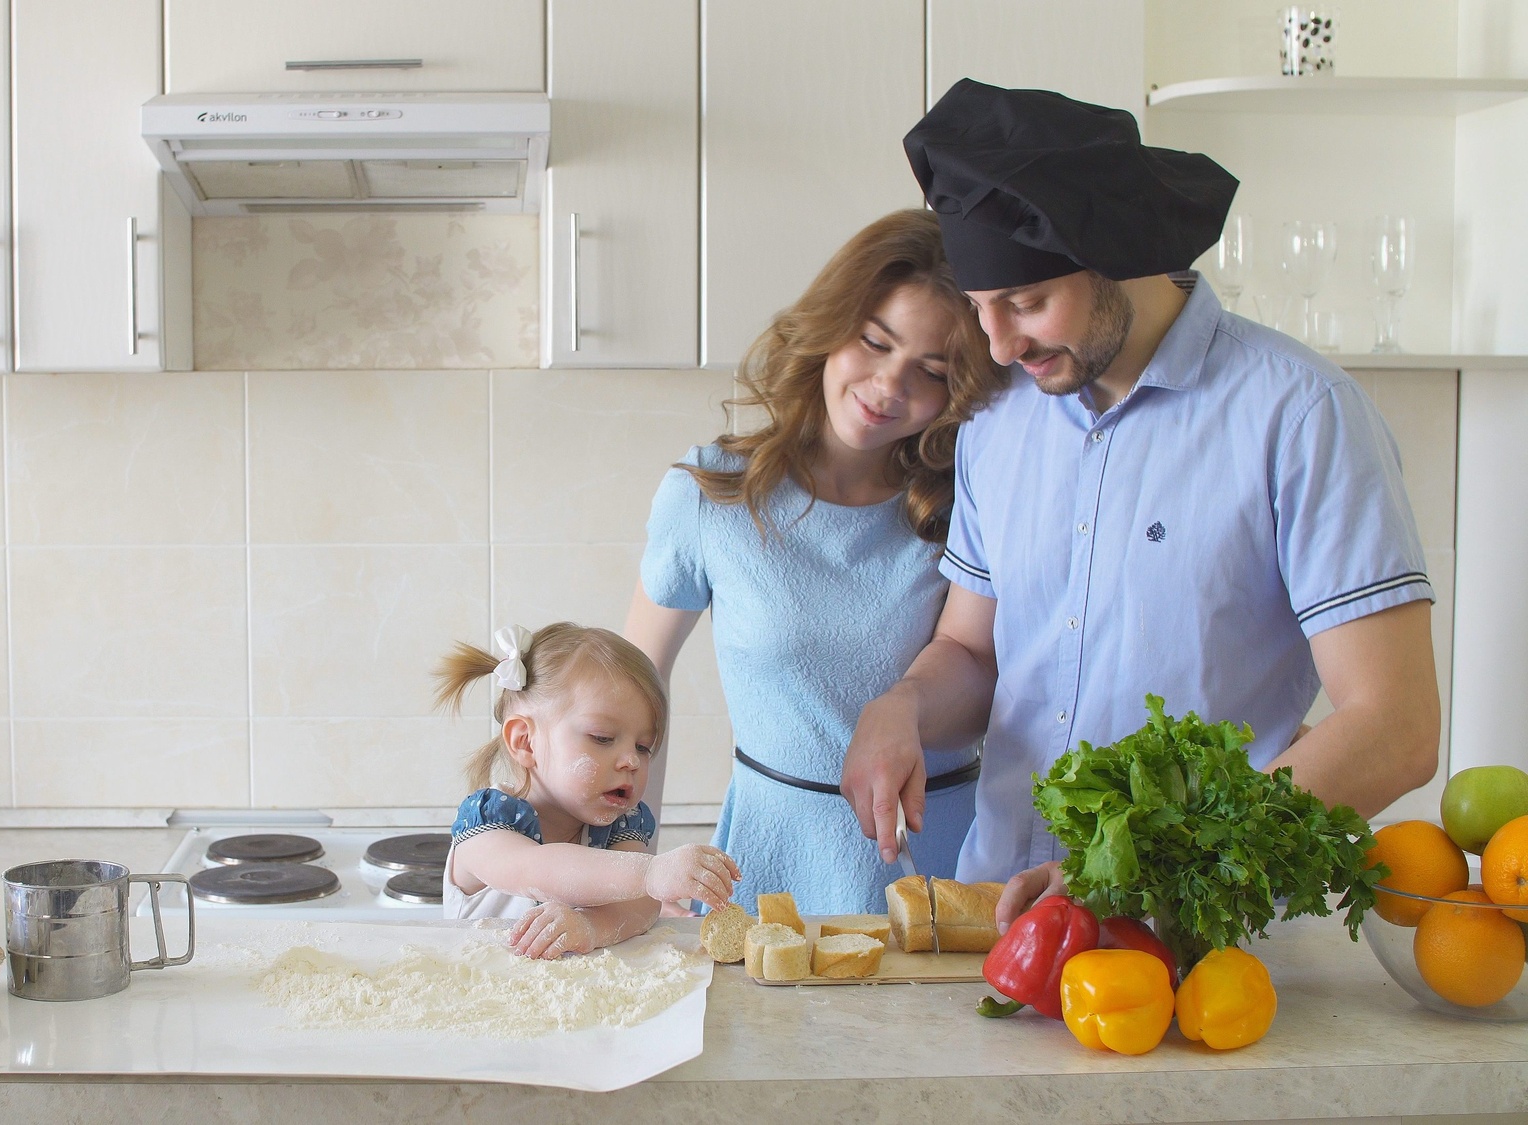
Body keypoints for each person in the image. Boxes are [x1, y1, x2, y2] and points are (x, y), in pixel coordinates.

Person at [842, 80, 1441, 929]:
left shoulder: (1299, 415)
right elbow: (972, 652)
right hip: (997, 922)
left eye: (1026, 302)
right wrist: (898, 706)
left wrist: (1140, 872)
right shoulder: (1000, 420)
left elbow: (1397, 726)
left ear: (1121, 253)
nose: (1002, 346)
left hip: (1204, 946)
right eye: (982, 310)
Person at [624, 209, 1008, 916]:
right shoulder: (709, 495)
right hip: (769, 864)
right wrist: (627, 872)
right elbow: (632, 696)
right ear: (833, 324)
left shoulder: (971, 507)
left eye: (930, 370)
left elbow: (982, 673)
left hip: (942, 867)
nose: (890, 385)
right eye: (875, 341)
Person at [438, 622, 742, 958]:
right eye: (602, 738)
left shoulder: (617, 827)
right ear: (525, 741)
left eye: (643, 746)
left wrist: (590, 927)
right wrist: (652, 872)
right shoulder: (485, 826)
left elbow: (641, 904)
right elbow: (538, 869)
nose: (632, 761)